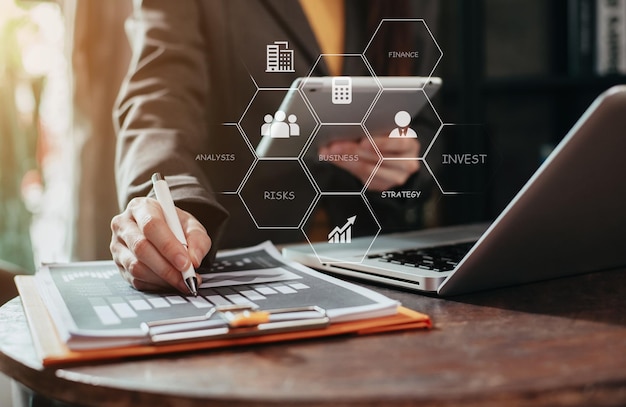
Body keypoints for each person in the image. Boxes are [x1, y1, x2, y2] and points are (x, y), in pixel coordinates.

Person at [110, 0, 441, 293]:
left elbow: (424, 120)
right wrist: (170, 201)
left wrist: (409, 161)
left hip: (379, 268)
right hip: (242, 270)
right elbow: (158, 105)